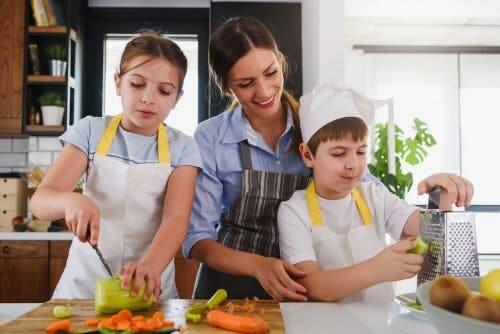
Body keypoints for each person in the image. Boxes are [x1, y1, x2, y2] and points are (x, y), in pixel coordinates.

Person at [184, 17, 383, 301]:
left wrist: (435, 190)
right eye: (246, 84)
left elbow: (368, 187)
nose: (264, 91)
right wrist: (258, 265)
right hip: (228, 286)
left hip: (304, 283)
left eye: (271, 73)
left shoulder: (314, 124)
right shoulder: (211, 137)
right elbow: (198, 240)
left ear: (280, 61)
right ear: (226, 86)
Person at [30, 31, 202, 301]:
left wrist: (151, 266)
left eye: (164, 91)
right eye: (137, 84)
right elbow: (40, 202)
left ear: (177, 98)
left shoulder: (184, 147)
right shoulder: (90, 132)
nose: (148, 98)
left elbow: (176, 220)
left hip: (151, 290)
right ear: (118, 83)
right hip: (82, 290)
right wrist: (70, 202)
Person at [277, 83, 474, 303]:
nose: (353, 164)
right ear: (308, 155)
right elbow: (310, 286)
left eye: (361, 151)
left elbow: (430, 229)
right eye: (338, 153)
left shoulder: (374, 196)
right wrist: (376, 269)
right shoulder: (293, 211)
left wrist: (442, 192)